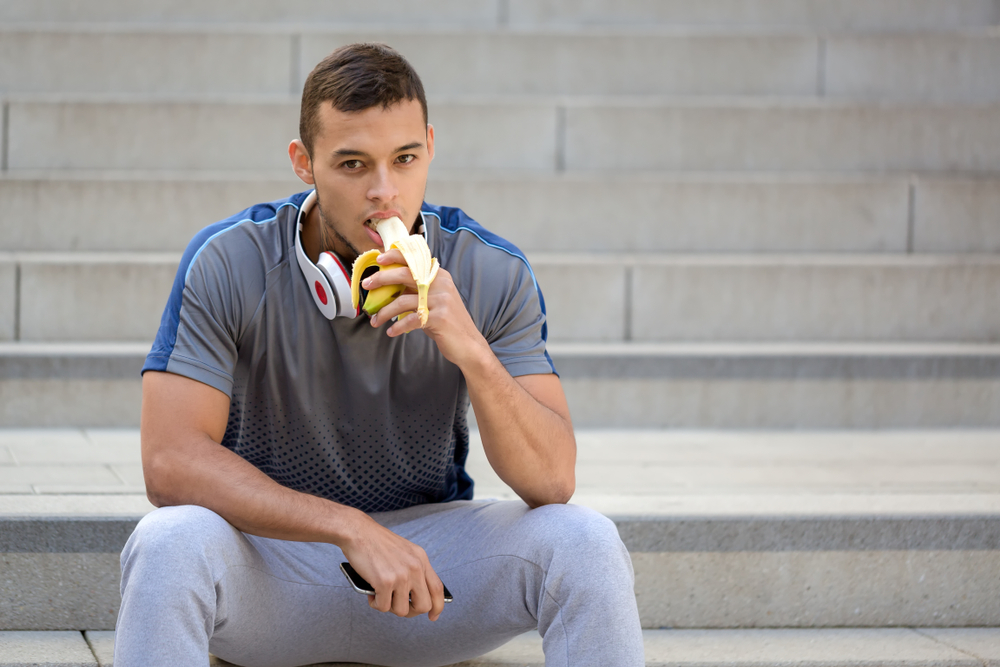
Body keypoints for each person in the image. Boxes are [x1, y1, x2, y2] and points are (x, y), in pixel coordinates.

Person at [115, 43, 643, 667]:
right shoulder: (231, 260)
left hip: (429, 585)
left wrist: (471, 350)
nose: (384, 192)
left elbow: (552, 480)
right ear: (303, 163)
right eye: (353, 164)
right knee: (168, 540)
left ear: (430, 147)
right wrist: (350, 527)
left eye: (405, 159)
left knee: (586, 540)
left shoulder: (491, 270)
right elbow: (170, 463)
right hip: (272, 562)